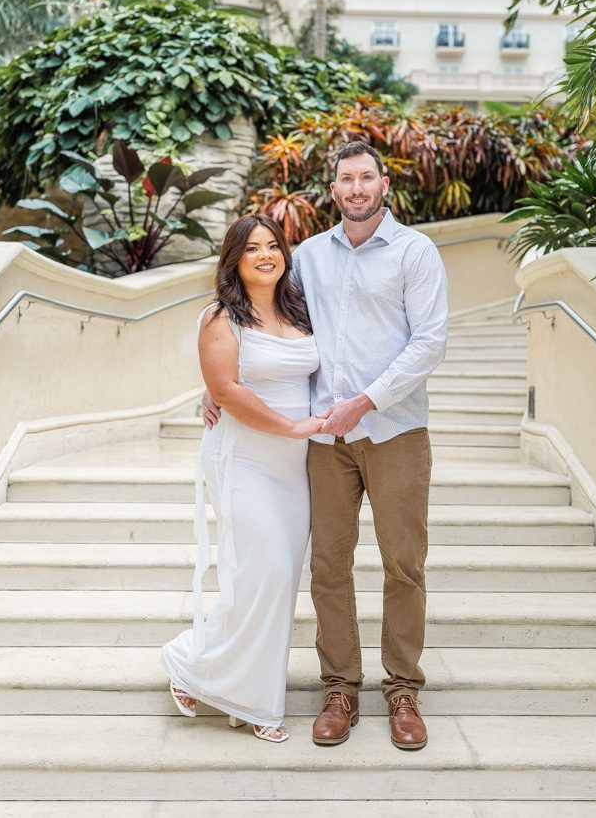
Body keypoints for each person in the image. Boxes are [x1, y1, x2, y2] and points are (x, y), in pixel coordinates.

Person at [204, 142, 448, 751]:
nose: (358, 188)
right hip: (324, 441)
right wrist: (214, 386)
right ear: (333, 189)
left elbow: (430, 343)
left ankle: (402, 691)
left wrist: (365, 401)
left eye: (367, 178)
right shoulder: (307, 257)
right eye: (347, 179)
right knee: (328, 568)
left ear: (384, 184)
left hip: (395, 432)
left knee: (403, 564)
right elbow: (258, 317)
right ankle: (339, 687)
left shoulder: (416, 252)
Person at [161, 214, 325, 743]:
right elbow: (227, 390)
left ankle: (211, 669)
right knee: (266, 569)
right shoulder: (220, 317)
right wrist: (291, 426)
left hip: (292, 470)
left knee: (270, 582)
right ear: (234, 258)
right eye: (252, 248)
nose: (264, 255)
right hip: (243, 460)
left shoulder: (300, 309)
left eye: (273, 245)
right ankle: (244, 695)